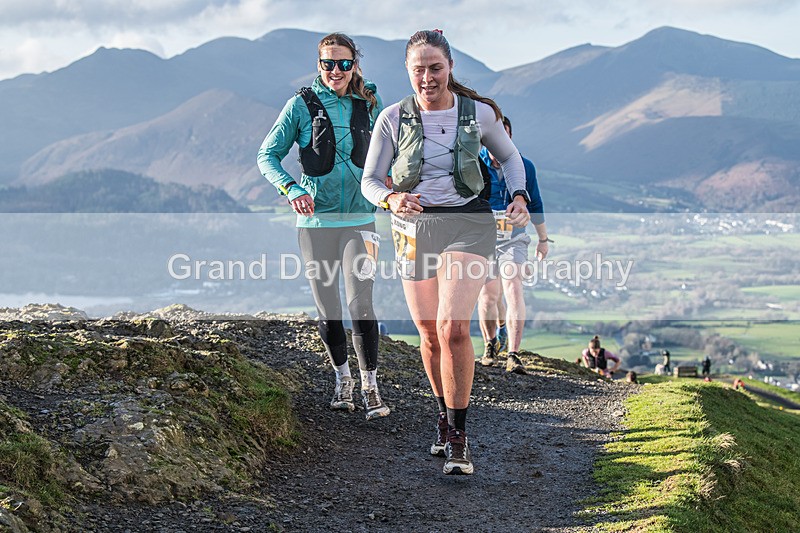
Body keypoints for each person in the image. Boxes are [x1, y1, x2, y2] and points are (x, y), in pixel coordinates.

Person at [361, 29, 531, 475]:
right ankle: (442, 415)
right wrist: (391, 198)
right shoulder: (392, 118)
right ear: (407, 72)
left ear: (450, 67)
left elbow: (511, 159)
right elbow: (371, 181)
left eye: (435, 68)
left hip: (469, 223)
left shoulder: (480, 114)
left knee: (454, 326)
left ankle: (458, 433)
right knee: (429, 334)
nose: (427, 77)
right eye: (419, 69)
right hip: (412, 226)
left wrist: (518, 197)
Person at [257, 33, 390, 420]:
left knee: (361, 302)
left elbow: (388, 153)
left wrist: (391, 183)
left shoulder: (370, 103)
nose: (336, 71)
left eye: (344, 64)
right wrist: (291, 188)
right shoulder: (299, 106)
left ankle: (371, 387)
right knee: (328, 307)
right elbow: (267, 155)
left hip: (362, 221)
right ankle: (342, 379)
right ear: (319, 65)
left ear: (355, 65)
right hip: (315, 223)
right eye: (328, 63)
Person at [477, 116, 550, 373]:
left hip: (515, 238)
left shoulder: (524, 167)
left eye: (503, 138)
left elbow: (536, 204)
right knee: (488, 295)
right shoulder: (474, 164)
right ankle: (490, 343)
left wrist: (543, 239)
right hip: (483, 239)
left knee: (513, 287)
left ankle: (513, 354)